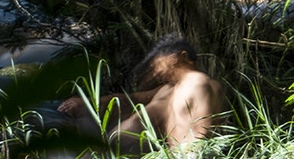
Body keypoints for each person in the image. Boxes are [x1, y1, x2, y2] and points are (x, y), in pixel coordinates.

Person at [57, 34, 227, 151]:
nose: (158, 70)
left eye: (161, 63)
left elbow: (202, 129)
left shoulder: (199, 82)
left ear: (181, 57)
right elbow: (132, 100)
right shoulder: (170, 88)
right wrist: (87, 102)